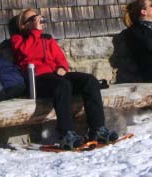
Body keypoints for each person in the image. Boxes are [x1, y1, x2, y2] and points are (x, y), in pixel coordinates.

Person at [11, 9, 118, 149]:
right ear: (23, 25)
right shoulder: (18, 39)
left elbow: (59, 57)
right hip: (36, 79)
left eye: (38, 17)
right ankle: (66, 133)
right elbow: (27, 52)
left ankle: (97, 129)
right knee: (63, 85)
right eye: (32, 19)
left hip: (56, 75)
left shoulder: (47, 38)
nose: (37, 20)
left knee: (90, 81)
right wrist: (35, 32)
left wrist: (62, 66)